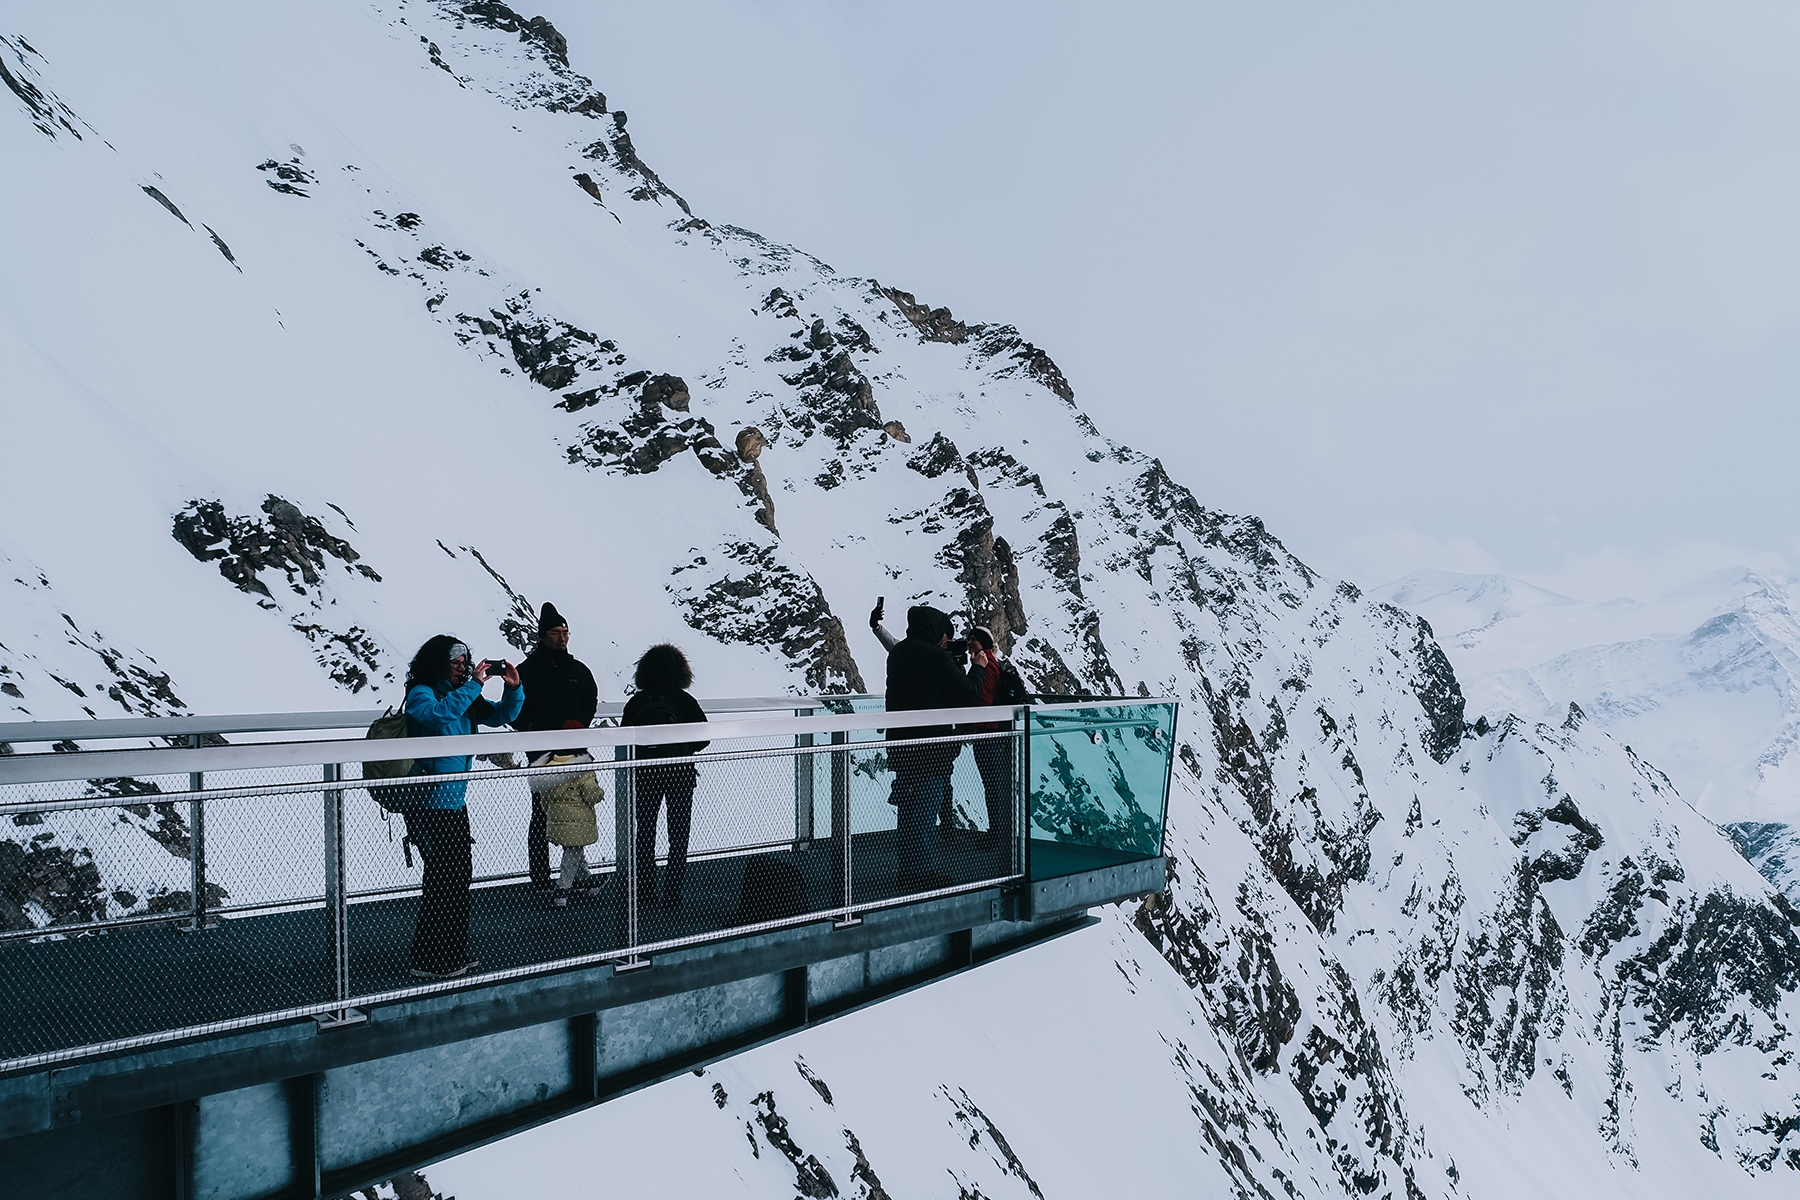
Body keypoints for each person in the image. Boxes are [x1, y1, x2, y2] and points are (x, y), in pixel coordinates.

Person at [401, 635, 524, 980]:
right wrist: (472, 686)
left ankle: (450, 951)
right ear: (438, 662)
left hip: (454, 801)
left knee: (457, 878)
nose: (461, 666)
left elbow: (501, 716)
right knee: (443, 879)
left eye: (464, 660)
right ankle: (429, 959)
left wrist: (513, 688)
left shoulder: (464, 695)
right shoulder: (423, 693)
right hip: (429, 800)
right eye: (454, 660)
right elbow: (438, 717)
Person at [885, 605, 990, 889]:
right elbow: (967, 692)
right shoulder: (935, 657)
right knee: (924, 809)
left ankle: (908, 870)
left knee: (909, 811)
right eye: (946, 636)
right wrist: (978, 668)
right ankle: (920, 873)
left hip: (902, 745)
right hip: (931, 749)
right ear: (936, 631)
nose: (947, 641)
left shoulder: (899, 653)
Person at [512, 602, 599, 889]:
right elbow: (516, 711)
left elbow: (590, 700)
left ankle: (575, 875)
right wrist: (537, 732)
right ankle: (541, 879)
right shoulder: (526, 672)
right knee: (542, 815)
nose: (562, 638)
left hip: (575, 752)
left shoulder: (579, 670)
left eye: (565, 632)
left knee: (577, 813)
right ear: (541, 635)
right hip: (542, 755)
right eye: (555, 632)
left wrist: (578, 726)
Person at [622, 644, 709, 908]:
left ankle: (646, 892)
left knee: (645, 833)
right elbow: (703, 738)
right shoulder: (683, 701)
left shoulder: (638, 702)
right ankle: (673, 894)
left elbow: (625, 737)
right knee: (678, 835)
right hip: (679, 774)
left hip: (645, 775)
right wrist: (682, 748)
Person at [963, 626, 1030, 850]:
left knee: (992, 786)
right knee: (995, 785)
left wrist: (970, 726)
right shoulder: (992, 662)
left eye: (974, 639)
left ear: (984, 643)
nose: (969, 642)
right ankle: (999, 834)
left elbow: (982, 699)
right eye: (969, 638)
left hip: (987, 732)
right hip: (993, 732)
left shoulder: (986, 666)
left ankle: (996, 836)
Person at [536, 750, 605, 908]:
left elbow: (544, 798)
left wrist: (551, 814)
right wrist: (600, 793)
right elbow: (591, 795)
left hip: (557, 818)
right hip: (578, 819)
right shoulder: (583, 769)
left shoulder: (551, 767)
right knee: (572, 854)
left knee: (574, 850)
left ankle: (590, 883)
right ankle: (561, 890)